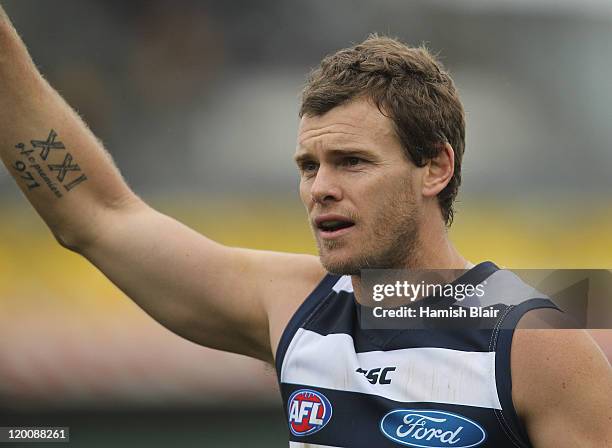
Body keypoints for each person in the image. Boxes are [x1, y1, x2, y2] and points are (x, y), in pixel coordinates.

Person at [1, 7, 611, 448]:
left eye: (352, 162)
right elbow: (96, 217)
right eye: (308, 166)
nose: (320, 187)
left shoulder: (534, 342)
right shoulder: (295, 303)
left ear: (436, 167)